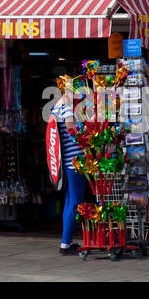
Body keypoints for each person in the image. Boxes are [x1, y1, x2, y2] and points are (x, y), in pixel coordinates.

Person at [53, 71, 90, 255]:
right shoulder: (66, 107)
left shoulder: (56, 106)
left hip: (67, 160)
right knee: (75, 201)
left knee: (70, 200)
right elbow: (70, 128)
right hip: (76, 160)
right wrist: (86, 137)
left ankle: (65, 242)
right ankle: (65, 243)